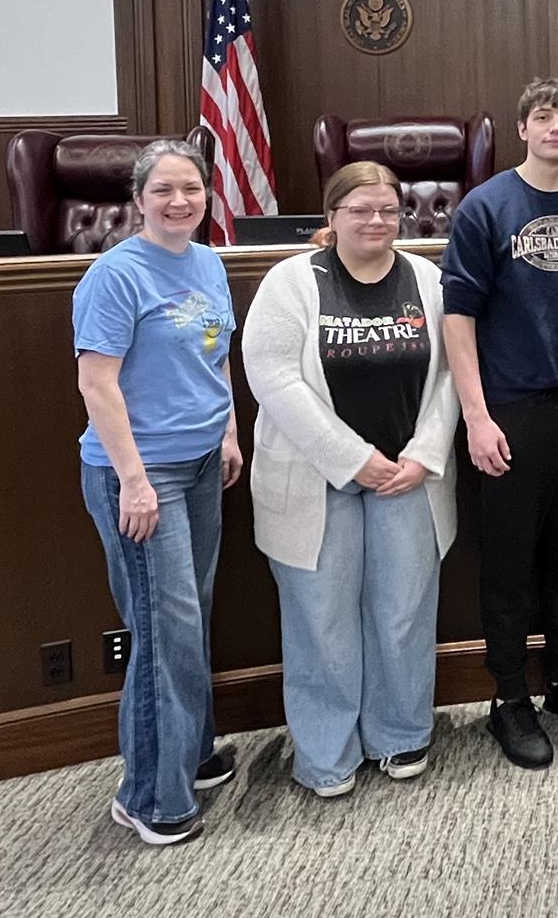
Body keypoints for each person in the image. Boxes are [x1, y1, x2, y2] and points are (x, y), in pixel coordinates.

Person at [242, 161, 460, 798]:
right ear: (331, 217)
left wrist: (423, 453)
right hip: (316, 477)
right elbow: (273, 376)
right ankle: (326, 755)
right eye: (360, 210)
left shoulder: (427, 278)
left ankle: (399, 734)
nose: (376, 221)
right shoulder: (292, 282)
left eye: (388, 211)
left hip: (407, 475)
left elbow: (453, 371)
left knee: (404, 612)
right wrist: (349, 457)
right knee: (321, 619)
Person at [440, 77, 558, 769]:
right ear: (523, 128)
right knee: (511, 565)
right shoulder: (484, 209)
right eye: (543, 116)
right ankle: (510, 697)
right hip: (510, 410)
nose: (556, 127)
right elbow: (458, 318)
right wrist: (477, 417)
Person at [73, 139, 242, 846]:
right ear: (138, 200)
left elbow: (217, 354)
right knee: (161, 627)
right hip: (141, 477)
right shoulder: (115, 276)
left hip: (203, 462)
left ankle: (192, 753)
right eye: (164, 190)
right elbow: (96, 383)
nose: (180, 202)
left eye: (192, 190)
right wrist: (136, 482)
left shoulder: (206, 261)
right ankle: (148, 796)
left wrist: (230, 431)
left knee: (190, 616)